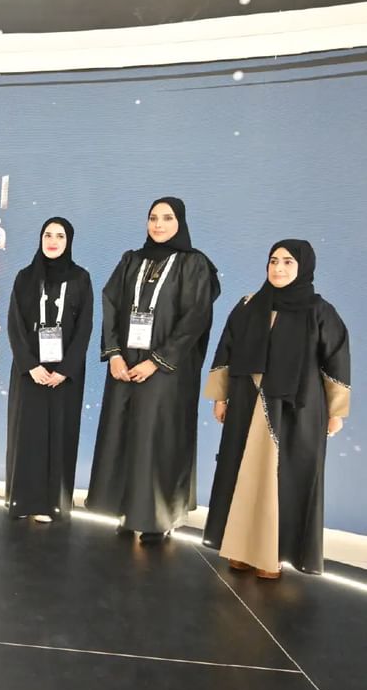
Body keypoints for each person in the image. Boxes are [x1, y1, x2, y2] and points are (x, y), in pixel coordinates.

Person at [202, 240, 350, 578]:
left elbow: (336, 361)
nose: (278, 268)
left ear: (303, 267)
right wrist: (220, 398)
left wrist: (336, 412)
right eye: (273, 261)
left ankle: (272, 555)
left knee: (281, 479)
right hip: (246, 404)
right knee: (242, 472)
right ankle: (240, 547)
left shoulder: (319, 311)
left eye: (287, 262)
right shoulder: (248, 305)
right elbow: (226, 351)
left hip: (296, 411)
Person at [86, 197, 220, 544]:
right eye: (153, 218)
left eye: (167, 218)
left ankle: (158, 519)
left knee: (157, 437)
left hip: (166, 372)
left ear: (180, 222)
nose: (158, 224)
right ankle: (129, 512)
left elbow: (195, 318)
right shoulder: (132, 260)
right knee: (127, 435)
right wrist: (114, 354)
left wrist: (157, 361)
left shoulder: (194, 263)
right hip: (126, 365)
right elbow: (111, 303)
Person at [5, 217, 93, 523]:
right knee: (27, 436)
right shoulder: (25, 277)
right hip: (30, 371)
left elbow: (84, 328)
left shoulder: (80, 278)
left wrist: (66, 370)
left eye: (59, 236)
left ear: (69, 241)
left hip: (63, 376)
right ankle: (22, 501)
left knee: (58, 435)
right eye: (47, 235)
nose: (53, 241)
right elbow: (15, 325)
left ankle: (50, 504)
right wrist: (30, 365)